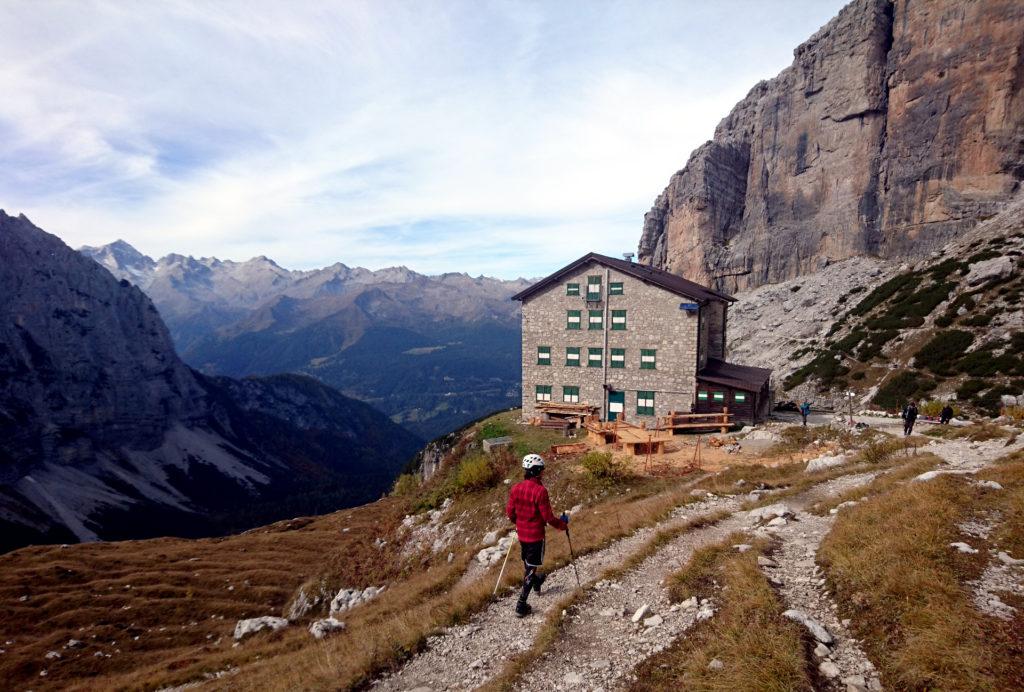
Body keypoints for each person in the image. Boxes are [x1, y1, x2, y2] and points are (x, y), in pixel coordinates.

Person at [505, 453, 568, 618]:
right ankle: (521, 605)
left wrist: (519, 522)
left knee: (528, 563)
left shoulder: (516, 488)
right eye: (542, 470)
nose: (544, 472)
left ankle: (537, 583)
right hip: (536, 536)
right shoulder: (540, 491)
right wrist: (563, 524)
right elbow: (548, 517)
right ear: (537, 471)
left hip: (522, 535)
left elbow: (510, 513)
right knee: (531, 568)